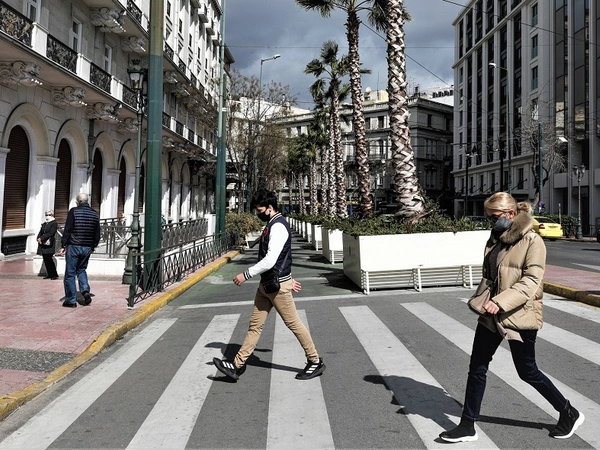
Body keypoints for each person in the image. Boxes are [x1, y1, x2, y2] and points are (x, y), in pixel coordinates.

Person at [439, 192, 584, 443]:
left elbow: (531, 281)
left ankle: (568, 412)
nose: (491, 222)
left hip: (519, 314)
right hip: (491, 314)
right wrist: (483, 299)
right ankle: (467, 425)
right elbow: (491, 275)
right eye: (489, 217)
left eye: (494, 217)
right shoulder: (496, 237)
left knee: (527, 371)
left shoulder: (532, 241)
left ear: (511, 214)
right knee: (477, 367)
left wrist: (500, 302)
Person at [213, 189, 325, 381]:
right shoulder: (273, 223)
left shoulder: (278, 226)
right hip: (267, 285)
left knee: (294, 324)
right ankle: (237, 365)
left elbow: (271, 260)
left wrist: (245, 275)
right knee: (254, 326)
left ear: (270, 207)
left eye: (260, 210)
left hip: (278, 288)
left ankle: (315, 361)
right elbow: (283, 257)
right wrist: (288, 277)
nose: (258, 214)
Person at [59, 193, 100, 308]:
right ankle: (85, 290)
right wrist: (93, 246)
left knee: (70, 273)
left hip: (74, 246)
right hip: (87, 247)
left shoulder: (73, 211)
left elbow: (68, 229)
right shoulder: (94, 213)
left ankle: (71, 300)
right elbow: (97, 233)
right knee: (81, 269)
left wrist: (63, 244)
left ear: (77, 202)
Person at [37, 210, 59, 280]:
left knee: (49, 259)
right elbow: (41, 232)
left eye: (49, 215)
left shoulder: (54, 223)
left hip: (49, 243)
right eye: (46, 215)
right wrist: (38, 238)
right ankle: (49, 274)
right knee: (45, 259)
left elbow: (51, 233)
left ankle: (54, 274)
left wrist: (42, 238)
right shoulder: (44, 224)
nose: (47, 216)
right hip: (43, 243)